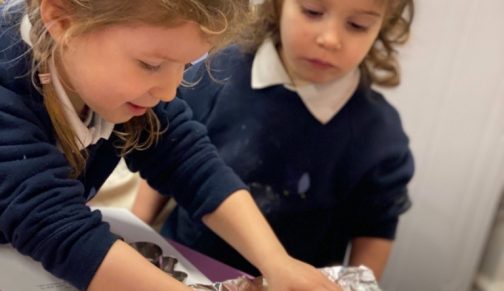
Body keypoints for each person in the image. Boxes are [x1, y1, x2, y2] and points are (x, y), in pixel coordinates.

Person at [0, 0, 343, 290]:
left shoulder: (114, 77)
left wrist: (276, 262)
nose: (168, 90)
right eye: (151, 65)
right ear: (61, 19)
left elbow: (187, 159)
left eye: (187, 65)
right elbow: (54, 225)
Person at [133, 0, 415, 280]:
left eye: (357, 25)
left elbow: (375, 228)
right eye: (312, 12)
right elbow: (169, 152)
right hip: (184, 266)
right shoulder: (219, 70)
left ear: (382, 27)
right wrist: (137, 227)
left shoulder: (379, 135)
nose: (329, 39)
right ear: (278, 5)